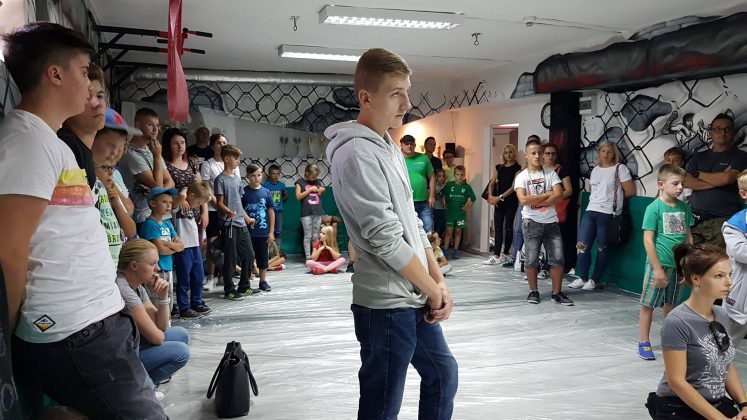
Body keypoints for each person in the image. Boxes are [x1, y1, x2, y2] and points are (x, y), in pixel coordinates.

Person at [0, 22, 165, 419]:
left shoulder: (50, 141)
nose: (91, 88)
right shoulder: (26, 141)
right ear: (55, 75)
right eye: (82, 71)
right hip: (74, 331)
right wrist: (13, 331)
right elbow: (9, 250)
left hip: (97, 322)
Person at [325, 47, 457, 419]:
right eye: (396, 93)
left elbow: (412, 222)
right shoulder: (356, 153)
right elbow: (384, 236)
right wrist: (431, 290)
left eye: (407, 92)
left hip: (413, 293)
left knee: (443, 375)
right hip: (385, 306)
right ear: (366, 97)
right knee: (382, 406)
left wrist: (438, 282)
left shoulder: (389, 147)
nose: (407, 103)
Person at [648, 244, 747, 419]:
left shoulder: (721, 315)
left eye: (730, 274)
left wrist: (744, 405)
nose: (729, 282)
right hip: (678, 406)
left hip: (714, 403)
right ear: (696, 279)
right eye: (719, 276)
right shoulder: (677, 322)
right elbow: (676, 382)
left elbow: (725, 363)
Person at [638, 165, 694, 361]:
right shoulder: (654, 208)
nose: (680, 188)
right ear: (661, 185)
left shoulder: (684, 207)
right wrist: (657, 269)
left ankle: (668, 338)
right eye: (675, 183)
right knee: (649, 304)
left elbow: (688, 237)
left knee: (672, 303)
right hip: (659, 264)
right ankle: (644, 341)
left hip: (678, 266)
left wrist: (686, 265)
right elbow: (648, 240)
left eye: (682, 184)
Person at [116, 240, 190, 387]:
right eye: (152, 263)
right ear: (134, 266)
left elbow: (162, 326)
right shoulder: (123, 289)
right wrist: (156, 332)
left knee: (181, 334)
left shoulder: (137, 287)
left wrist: (163, 297)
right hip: (120, 359)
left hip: (132, 346)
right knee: (181, 352)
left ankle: (145, 383)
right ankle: (139, 389)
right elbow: (157, 338)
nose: (158, 268)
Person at [570, 140, 636, 291]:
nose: (606, 154)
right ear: (599, 153)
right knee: (582, 245)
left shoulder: (620, 169)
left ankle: (594, 280)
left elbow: (630, 191)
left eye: (609, 151)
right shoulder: (595, 170)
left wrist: (613, 200)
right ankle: (582, 277)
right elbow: (592, 190)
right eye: (603, 151)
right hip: (591, 210)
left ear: (614, 154)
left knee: (602, 248)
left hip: (608, 212)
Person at [514, 139, 574, 305]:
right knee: (531, 259)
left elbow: (559, 195)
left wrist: (536, 200)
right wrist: (547, 195)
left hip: (551, 222)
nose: (537, 156)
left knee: (558, 259)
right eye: (533, 153)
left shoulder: (551, 174)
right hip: (531, 222)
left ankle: (557, 293)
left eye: (539, 153)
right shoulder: (522, 176)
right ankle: (533, 291)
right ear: (526, 155)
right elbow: (523, 200)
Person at [684, 114, 747, 248]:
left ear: (733, 132)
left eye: (727, 129)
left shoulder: (741, 156)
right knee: (688, 256)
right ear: (710, 132)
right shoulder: (698, 157)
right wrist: (718, 180)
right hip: (693, 216)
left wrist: (699, 174)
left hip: (722, 219)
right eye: (718, 129)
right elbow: (685, 181)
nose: (723, 132)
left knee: (715, 258)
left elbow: (727, 178)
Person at [92, 109, 138, 264]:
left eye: (121, 147)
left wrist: (115, 198)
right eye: (111, 145)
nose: (115, 153)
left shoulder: (113, 176)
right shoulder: (85, 178)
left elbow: (130, 222)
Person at [215, 144, 258, 300]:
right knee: (231, 258)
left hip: (241, 223)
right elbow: (219, 203)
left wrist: (247, 219)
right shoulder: (220, 179)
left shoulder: (237, 178)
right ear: (227, 159)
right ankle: (229, 290)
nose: (239, 161)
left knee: (249, 254)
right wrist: (227, 212)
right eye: (236, 158)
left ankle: (244, 286)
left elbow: (239, 204)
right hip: (230, 225)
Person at [119, 107, 175, 223]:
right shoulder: (131, 154)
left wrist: (159, 191)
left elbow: (170, 181)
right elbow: (158, 186)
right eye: (150, 125)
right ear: (138, 125)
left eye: (157, 125)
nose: (155, 130)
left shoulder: (151, 150)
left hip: (162, 214)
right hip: (143, 216)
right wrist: (157, 157)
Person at [57, 62, 105, 189]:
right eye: (87, 96)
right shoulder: (67, 147)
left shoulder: (80, 150)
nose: (98, 104)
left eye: (100, 96)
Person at [200, 133, 238, 291]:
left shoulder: (234, 164)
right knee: (212, 244)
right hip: (213, 209)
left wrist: (229, 207)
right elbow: (206, 187)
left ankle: (225, 275)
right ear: (212, 145)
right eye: (218, 143)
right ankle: (210, 276)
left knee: (228, 243)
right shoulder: (208, 164)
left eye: (224, 142)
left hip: (230, 210)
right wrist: (218, 204)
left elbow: (236, 187)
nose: (221, 145)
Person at [138, 187, 184, 316]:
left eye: (170, 202)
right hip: (156, 270)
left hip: (168, 268)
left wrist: (168, 244)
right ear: (153, 203)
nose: (168, 205)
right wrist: (173, 247)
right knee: (157, 302)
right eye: (164, 202)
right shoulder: (150, 224)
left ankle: (166, 324)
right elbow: (161, 250)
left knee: (168, 301)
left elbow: (181, 246)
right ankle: (158, 326)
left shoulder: (167, 223)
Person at [172, 181, 213, 318]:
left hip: (195, 246)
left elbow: (207, 197)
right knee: (184, 279)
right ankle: (184, 307)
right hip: (184, 248)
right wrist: (184, 193)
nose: (199, 205)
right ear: (191, 196)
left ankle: (196, 301)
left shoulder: (191, 206)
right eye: (198, 202)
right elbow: (178, 199)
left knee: (198, 276)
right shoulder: (178, 207)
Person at [502, 135, 542, 269]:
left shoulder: (544, 171)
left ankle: (535, 261)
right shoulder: (522, 170)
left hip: (540, 207)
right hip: (523, 205)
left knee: (536, 233)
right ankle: (516, 258)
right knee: (518, 230)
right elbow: (518, 189)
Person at [162, 127, 208, 238]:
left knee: (198, 245)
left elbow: (201, 189)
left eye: (183, 143)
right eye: (175, 143)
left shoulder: (192, 162)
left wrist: (205, 212)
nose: (180, 146)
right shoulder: (164, 165)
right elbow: (163, 190)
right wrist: (179, 199)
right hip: (177, 216)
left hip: (196, 213)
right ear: (168, 145)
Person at [722, 170, 747, 347]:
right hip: (740, 293)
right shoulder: (734, 225)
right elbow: (742, 253)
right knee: (725, 341)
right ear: (744, 194)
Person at [485, 144, 521, 265]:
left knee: (509, 228)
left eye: (510, 152)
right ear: (503, 154)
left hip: (511, 202)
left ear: (514, 153)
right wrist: (491, 196)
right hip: (498, 202)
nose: (508, 154)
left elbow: (513, 187)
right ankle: (496, 255)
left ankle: (505, 254)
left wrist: (499, 198)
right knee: (498, 228)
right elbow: (491, 183)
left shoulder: (518, 168)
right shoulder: (499, 167)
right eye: (506, 152)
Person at [542, 143, 575, 274]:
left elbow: (569, 190)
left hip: (555, 209)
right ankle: (540, 266)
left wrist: (553, 197)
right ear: (543, 155)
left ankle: (548, 267)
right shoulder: (537, 169)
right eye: (547, 153)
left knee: (555, 240)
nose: (550, 156)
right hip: (538, 208)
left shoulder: (561, 170)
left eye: (553, 153)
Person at [242, 164, 274, 291]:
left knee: (263, 257)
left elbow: (271, 212)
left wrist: (271, 232)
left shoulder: (266, 192)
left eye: (259, 175)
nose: (256, 178)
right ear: (247, 176)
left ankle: (263, 281)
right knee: (248, 257)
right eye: (253, 176)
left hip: (263, 231)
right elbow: (240, 210)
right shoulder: (244, 192)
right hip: (248, 232)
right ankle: (246, 281)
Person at [401, 134, 436, 233]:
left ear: (415, 145)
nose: (409, 146)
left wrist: (432, 196)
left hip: (424, 202)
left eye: (412, 144)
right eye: (406, 144)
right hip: (406, 202)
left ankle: (429, 244)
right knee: (409, 231)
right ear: (401, 145)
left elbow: (432, 176)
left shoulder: (423, 158)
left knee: (429, 229)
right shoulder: (397, 159)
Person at [442, 165, 476, 259]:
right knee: (448, 232)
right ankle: (445, 250)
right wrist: (443, 204)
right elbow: (440, 194)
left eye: (461, 175)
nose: (459, 177)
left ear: (464, 175)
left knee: (458, 232)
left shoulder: (467, 187)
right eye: (457, 174)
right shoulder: (449, 185)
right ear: (454, 175)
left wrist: (467, 206)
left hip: (461, 214)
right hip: (450, 213)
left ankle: (455, 250)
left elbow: (473, 198)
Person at [295, 164, 326, 260]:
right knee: (308, 236)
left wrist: (322, 190)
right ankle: (308, 257)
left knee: (316, 236)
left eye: (316, 176)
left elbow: (321, 193)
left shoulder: (317, 181)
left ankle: (315, 256)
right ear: (307, 173)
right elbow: (298, 197)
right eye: (313, 176)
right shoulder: (299, 182)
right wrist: (310, 190)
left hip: (318, 212)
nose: (315, 178)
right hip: (306, 213)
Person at [262, 163, 287, 249]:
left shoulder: (281, 185)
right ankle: (269, 250)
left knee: (278, 231)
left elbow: (286, 195)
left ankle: (278, 250)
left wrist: (280, 201)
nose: (276, 176)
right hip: (268, 212)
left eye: (277, 174)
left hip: (279, 211)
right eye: (273, 174)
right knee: (269, 230)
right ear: (269, 174)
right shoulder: (265, 185)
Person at [433, 168, 448, 241]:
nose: (441, 178)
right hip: (436, 209)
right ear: (436, 177)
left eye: (443, 176)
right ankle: (435, 240)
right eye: (439, 176)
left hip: (443, 210)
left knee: (443, 226)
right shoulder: (434, 187)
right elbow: (436, 197)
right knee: (436, 226)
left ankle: (439, 240)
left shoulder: (445, 187)